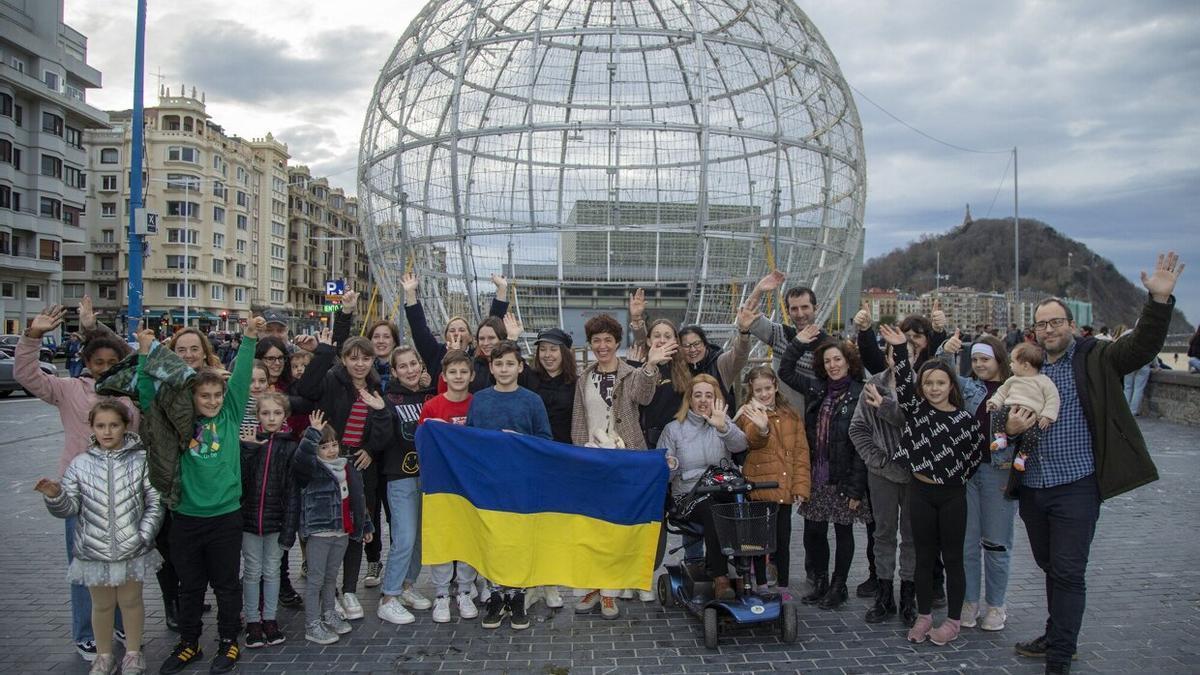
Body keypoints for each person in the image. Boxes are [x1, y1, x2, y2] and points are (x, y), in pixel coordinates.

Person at [1007, 252, 1182, 674]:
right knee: (1050, 565)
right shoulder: (1026, 371)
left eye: (1056, 322)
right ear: (1035, 331)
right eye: (1042, 324)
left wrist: (1157, 303)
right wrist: (1009, 430)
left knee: (1068, 569)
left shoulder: (1096, 357)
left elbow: (1140, 348)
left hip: (1077, 485)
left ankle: (1060, 655)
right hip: (1033, 485)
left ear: (1071, 324)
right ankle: (1056, 631)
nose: (1049, 329)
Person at [17, 300, 139, 661]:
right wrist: (32, 336)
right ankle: (85, 633)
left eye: (111, 364)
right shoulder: (69, 390)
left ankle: (118, 623)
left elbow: (137, 360)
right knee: (85, 566)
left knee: (121, 564)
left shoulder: (130, 393)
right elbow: (28, 376)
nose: (104, 369)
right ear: (86, 364)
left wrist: (95, 329)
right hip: (81, 492)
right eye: (97, 362)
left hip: (123, 491)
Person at [149, 315, 262, 675]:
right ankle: (189, 643)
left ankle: (229, 642)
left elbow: (241, 378)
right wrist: (144, 353)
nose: (212, 401)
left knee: (227, 585)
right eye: (205, 396)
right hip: (186, 515)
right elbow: (148, 394)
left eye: (217, 395)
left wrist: (248, 340)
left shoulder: (229, 414)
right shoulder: (179, 422)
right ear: (192, 397)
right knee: (190, 587)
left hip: (226, 515)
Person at [36, 399, 163, 675]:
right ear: (92, 428)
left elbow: (154, 501)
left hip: (132, 548)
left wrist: (143, 535)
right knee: (102, 605)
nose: (107, 432)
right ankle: (104, 656)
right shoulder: (79, 464)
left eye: (114, 425)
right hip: (93, 551)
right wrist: (56, 496)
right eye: (101, 426)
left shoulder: (141, 460)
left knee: (131, 602)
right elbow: (70, 508)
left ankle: (132, 653)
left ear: (126, 426)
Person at [880, 324, 982, 647]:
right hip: (920, 492)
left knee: (953, 559)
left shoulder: (965, 420)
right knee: (923, 556)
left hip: (952, 495)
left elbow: (975, 457)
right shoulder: (916, 410)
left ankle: (952, 620)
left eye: (941, 382)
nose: (935, 388)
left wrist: (952, 476)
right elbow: (905, 381)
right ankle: (924, 615)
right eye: (929, 383)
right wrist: (898, 349)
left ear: (951, 385)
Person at [293, 331, 396, 624]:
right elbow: (307, 388)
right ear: (344, 360)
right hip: (330, 463)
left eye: (365, 358)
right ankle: (330, 592)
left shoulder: (376, 387)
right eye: (353, 358)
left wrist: (370, 450)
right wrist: (323, 351)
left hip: (362, 465)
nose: (360, 364)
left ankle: (349, 589)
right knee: (329, 529)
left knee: (357, 524)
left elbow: (383, 427)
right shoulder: (331, 382)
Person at [570, 313, 669, 616]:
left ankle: (611, 590)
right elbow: (578, 419)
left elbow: (645, 396)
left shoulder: (632, 373)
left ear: (617, 343)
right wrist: (580, 454)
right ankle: (592, 587)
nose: (602, 346)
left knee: (617, 526)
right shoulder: (584, 377)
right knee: (592, 527)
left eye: (608, 340)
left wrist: (650, 365)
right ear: (590, 344)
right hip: (592, 461)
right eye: (596, 340)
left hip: (626, 460)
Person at [779, 326, 870, 611]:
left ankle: (838, 585)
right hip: (817, 475)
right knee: (814, 532)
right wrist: (797, 344)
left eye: (837, 360)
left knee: (843, 533)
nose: (832, 365)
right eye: (828, 361)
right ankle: (820, 580)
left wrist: (857, 487)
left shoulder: (861, 394)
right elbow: (785, 371)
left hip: (844, 476)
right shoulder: (816, 387)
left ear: (848, 362)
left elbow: (861, 445)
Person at [467, 340, 552, 630]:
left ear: (520, 367)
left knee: (517, 540)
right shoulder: (479, 400)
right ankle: (494, 594)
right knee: (491, 539)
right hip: (489, 483)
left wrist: (517, 440)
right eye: (498, 364)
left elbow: (545, 439)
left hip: (521, 482)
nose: (504, 369)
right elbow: (468, 440)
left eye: (509, 364)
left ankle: (516, 595)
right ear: (491, 368)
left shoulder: (532, 401)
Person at [937, 332, 1018, 631]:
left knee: (996, 543)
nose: (980, 364)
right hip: (968, 471)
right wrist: (946, 349)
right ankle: (969, 601)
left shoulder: (1015, 389)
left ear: (999, 359)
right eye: (975, 360)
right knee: (967, 543)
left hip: (1000, 471)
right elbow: (943, 372)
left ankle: (996, 604)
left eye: (985, 359)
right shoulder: (970, 387)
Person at [661, 374, 749, 600]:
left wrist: (724, 428)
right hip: (689, 496)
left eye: (708, 395)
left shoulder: (722, 422)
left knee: (742, 507)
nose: (702, 400)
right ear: (689, 399)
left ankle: (745, 569)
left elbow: (740, 445)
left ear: (716, 399)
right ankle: (719, 576)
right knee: (714, 510)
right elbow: (664, 474)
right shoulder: (673, 429)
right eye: (697, 395)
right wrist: (671, 465)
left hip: (722, 489)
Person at [851, 340, 920, 626]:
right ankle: (884, 595)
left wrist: (888, 407)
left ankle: (908, 596)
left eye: (907, 353)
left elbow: (915, 422)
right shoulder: (873, 385)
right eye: (895, 353)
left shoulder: (924, 384)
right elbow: (858, 428)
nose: (900, 358)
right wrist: (876, 460)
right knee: (883, 534)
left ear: (915, 356)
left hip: (917, 474)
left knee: (913, 537)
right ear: (888, 356)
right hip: (882, 473)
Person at [291, 411, 375, 645]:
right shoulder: (312, 470)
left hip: (343, 531)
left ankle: (329, 614)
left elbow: (358, 499)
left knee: (330, 577)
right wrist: (312, 434)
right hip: (320, 533)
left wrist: (365, 525)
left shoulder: (347, 467)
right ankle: (312, 624)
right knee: (316, 580)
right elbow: (300, 460)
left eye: (334, 444)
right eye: (324, 446)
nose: (331, 450)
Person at [417, 350, 482, 621]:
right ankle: (442, 593)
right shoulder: (432, 406)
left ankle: (465, 590)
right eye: (453, 372)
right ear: (443, 376)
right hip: (441, 482)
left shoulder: (478, 404)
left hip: (470, 482)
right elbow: (423, 444)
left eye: (463, 372)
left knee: (468, 535)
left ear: (472, 376)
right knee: (443, 536)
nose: (458, 377)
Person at [734, 366, 810, 594]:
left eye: (768, 388)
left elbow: (801, 452)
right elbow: (751, 440)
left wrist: (801, 486)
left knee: (782, 540)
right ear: (752, 391)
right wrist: (762, 428)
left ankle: (783, 585)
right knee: (757, 539)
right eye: (759, 390)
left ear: (776, 386)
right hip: (758, 485)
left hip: (783, 486)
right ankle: (761, 585)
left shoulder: (791, 415)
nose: (765, 394)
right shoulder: (748, 413)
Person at [376, 345, 437, 626]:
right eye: (403, 366)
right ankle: (388, 596)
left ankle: (407, 586)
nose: (410, 370)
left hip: (430, 476)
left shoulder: (430, 396)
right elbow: (383, 437)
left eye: (414, 364)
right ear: (394, 371)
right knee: (404, 537)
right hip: (400, 476)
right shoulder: (387, 399)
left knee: (422, 539)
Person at [238, 392, 298, 650]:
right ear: (257, 416)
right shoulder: (249, 443)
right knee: (252, 571)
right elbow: (239, 478)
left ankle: (270, 619)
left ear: (284, 416)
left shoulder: (290, 446)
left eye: (276, 413)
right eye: (265, 413)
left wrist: (290, 528)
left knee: (272, 570)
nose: (271, 418)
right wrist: (248, 450)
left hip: (276, 522)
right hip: (249, 521)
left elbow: (293, 492)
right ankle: (253, 620)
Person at [400, 272, 511, 387]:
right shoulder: (436, 353)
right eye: (452, 330)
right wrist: (410, 294)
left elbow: (493, 326)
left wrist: (502, 289)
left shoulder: (479, 355)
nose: (457, 333)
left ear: (471, 338)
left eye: (462, 330)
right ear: (445, 336)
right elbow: (419, 330)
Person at [737, 271, 828, 409]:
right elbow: (747, 315)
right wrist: (759, 290)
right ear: (788, 311)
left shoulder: (829, 346)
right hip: (782, 421)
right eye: (794, 309)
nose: (800, 314)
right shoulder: (780, 335)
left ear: (816, 308)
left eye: (805, 307)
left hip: (815, 424)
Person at [988, 343, 1061, 471]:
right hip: (1010, 408)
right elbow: (1002, 392)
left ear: (1025, 366)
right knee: (998, 416)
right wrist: (995, 402)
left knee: (1032, 436)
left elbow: (1053, 398)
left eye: (1013, 362)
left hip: (1033, 415)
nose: (1010, 365)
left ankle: (1022, 457)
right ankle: (1001, 438)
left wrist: (1047, 416)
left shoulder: (1044, 381)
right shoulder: (1013, 379)